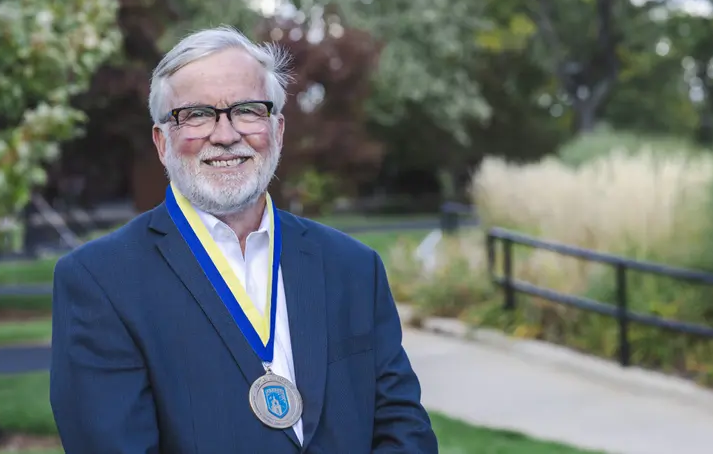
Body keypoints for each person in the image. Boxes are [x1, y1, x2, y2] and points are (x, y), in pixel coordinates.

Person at [49, 25, 439, 454]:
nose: (226, 133)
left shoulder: (352, 267)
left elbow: (405, 432)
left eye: (248, 110)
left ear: (278, 129)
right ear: (162, 142)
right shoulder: (101, 282)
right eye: (196, 115)